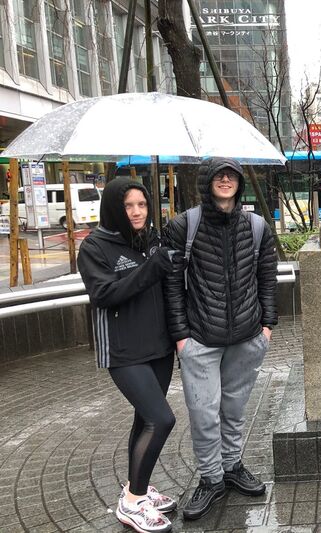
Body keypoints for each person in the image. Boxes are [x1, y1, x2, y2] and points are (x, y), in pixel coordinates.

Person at [163, 157, 278, 521]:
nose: (225, 180)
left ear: (240, 183)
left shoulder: (257, 226)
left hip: (247, 335)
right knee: (203, 413)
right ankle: (211, 479)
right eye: (218, 175)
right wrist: (181, 336)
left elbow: (267, 277)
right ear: (206, 181)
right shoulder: (185, 226)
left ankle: (231, 466)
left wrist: (267, 326)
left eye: (232, 175)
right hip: (200, 338)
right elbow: (171, 286)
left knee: (234, 409)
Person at [78, 177, 184, 533]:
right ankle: (133, 501)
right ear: (113, 208)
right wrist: (151, 268)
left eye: (142, 204)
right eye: (129, 206)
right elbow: (105, 294)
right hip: (124, 352)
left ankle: (137, 487)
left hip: (158, 347)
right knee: (161, 420)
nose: (137, 212)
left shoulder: (151, 239)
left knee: (144, 420)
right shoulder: (94, 247)